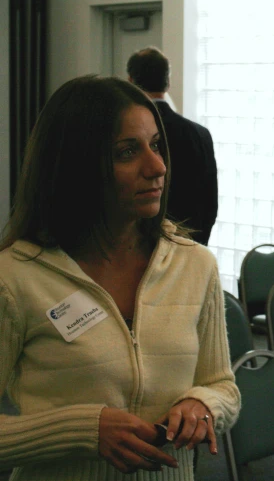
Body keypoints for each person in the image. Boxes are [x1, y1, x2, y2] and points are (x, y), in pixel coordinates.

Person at [0, 75, 240, 480]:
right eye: (127, 152)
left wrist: (203, 405)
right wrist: (82, 431)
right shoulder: (15, 278)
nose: (157, 166)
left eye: (156, 146)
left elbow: (222, 385)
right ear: (76, 166)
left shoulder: (195, 265)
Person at [127, 47, 218, 245]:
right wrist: (196, 247)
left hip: (144, 249)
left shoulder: (127, 135)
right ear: (167, 82)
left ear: (131, 82)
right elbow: (210, 205)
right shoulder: (200, 134)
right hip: (192, 247)